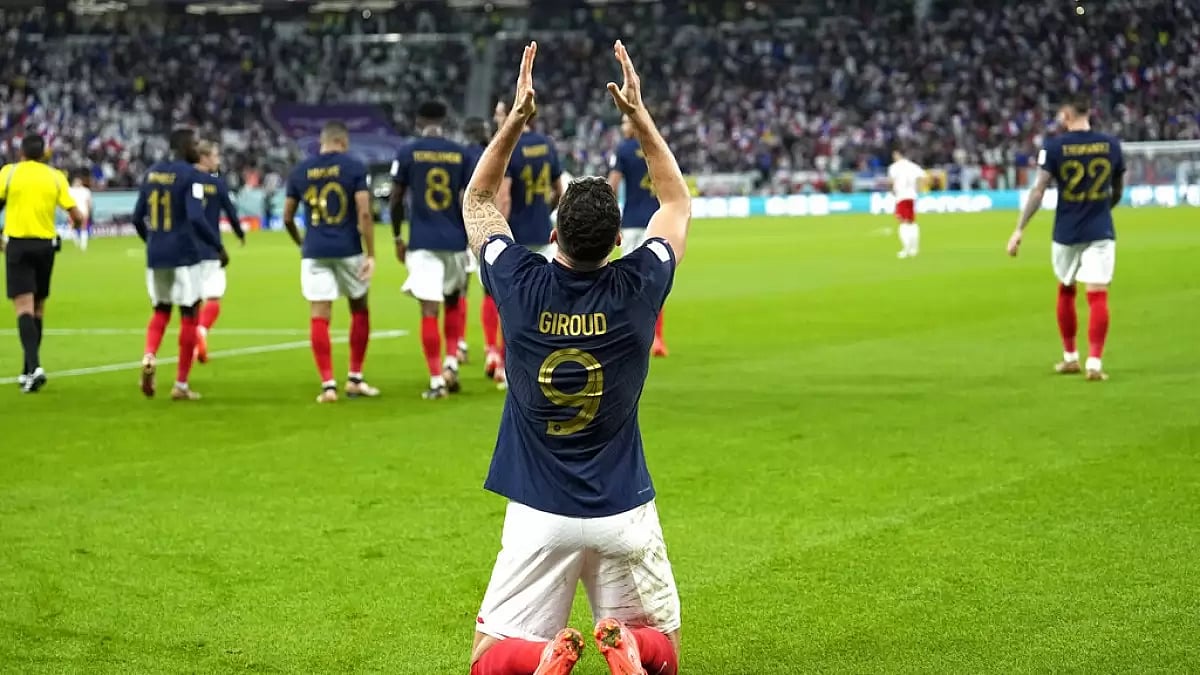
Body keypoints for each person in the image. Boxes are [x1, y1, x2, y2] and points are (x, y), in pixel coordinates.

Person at [464, 41, 687, 675]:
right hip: (623, 509)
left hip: (538, 511)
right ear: (620, 240)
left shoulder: (519, 282)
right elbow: (674, 203)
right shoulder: (638, 285)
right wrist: (640, 118)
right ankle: (628, 649)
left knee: (486, 656)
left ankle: (541, 660)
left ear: (554, 232)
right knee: (663, 646)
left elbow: (479, 204)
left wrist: (514, 120)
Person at [1008, 94, 1124, 381]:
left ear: (1067, 115)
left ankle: (1070, 357)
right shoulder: (1111, 145)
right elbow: (1118, 189)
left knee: (1067, 289)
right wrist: (1101, 210)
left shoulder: (1054, 147)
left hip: (1067, 231)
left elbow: (1039, 190)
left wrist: (1019, 229)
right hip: (1100, 230)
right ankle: (1094, 363)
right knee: (1098, 295)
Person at [283, 121, 379, 403]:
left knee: (319, 313)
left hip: (314, 249)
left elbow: (287, 217)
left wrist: (301, 242)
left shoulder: (301, 170)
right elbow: (364, 213)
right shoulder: (354, 167)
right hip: (349, 248)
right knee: (359, 308)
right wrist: (371, 253)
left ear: (322, 142)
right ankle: (355, 378)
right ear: (344, 142)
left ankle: (328, 386)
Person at [132, 128, 229, 401]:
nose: (198, 149)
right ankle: (181, 385)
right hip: (185, 255)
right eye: (195, 144)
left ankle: (150, 355)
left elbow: (137, 218)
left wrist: (152, 241)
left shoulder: (151, 173)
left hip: (156, 253)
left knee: (161, 310)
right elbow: (197, 218)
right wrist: (218, 247)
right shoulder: (192, 176)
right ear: (185, 146)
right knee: (189, 314)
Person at [480, 100, 565, 388]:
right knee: (542, 301)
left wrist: (496, 235)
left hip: (516, 234)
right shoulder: (546, 144)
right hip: (543, 232)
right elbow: (559, 191)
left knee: (504, 299)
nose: (496, 117)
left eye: (500, 113)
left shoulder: (509, 145)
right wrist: (544, 212)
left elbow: (504, 197)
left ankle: (502, 362)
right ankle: (543, 361)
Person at [390, 101, 472, 400]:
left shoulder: (408, 152)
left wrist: (398, 236)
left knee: (428, 310)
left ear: (419, 121)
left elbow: (396, 197)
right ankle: (451, 363)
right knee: (453, 301)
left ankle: (437, 380)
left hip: (422, 240)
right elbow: (468, 198)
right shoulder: (460, 153)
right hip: (454, 240)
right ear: (444, 120)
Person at [0, 134, 85, 393]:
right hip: (45, 247)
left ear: (22, 152)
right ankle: (28, 371)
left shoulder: (9, 173)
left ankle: (35, 367)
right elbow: (76, 215)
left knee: (23, 307)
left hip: (18, 245)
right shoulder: (55, 176)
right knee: (38, 308)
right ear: (44, 153)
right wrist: (74, 227)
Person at [608, 115, 668, 357]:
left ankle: (629, 334)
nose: (623, 127)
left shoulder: (624, 149)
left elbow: (612, 184)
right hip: (657, 220)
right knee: (655, 281)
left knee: (628, 280)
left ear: (633, 124)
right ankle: (658, 339)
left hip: (632, 222)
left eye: (624, 122)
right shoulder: (656, 145)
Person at [192, 140, 246, 364]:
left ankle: (193, 342)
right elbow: (231, 212)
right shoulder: (217, 183)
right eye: (215, 156)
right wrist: (239, 233)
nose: (218, 160)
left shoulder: (185, 180)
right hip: (211, 248)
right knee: (213, 298)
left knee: (192, 302)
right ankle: (202, 332)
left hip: (187, 249)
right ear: (204, 157)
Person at [888, 146, 927, 259]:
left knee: (903, 222)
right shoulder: (912, 166)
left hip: (901, 196)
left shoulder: (894, 167)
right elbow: (922, 177)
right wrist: (918, 189)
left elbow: (891, 181)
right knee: (911, 221)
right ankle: (914, 248)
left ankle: (906, 249)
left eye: (894, 155)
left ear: (897, 155)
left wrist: (892, 191)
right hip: (912, 196)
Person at [68, 171, 93, 252]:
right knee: (73, 228)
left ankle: (82, 245)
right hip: (75, 211)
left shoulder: (85, 191)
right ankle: (79, 243)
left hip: (80, 211)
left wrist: (89, 211)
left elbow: (88, 203)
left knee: (82, 228)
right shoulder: (70, 190)